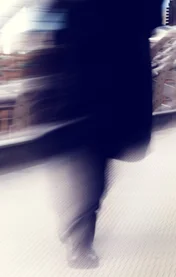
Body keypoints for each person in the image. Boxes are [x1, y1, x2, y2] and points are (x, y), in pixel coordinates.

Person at [38, 0, 162, 269]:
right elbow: (152, 16)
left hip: (80, 47)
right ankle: (80, 229)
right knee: (98, 140)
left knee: (84, 137)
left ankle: (77, 223)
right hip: (117, 53)